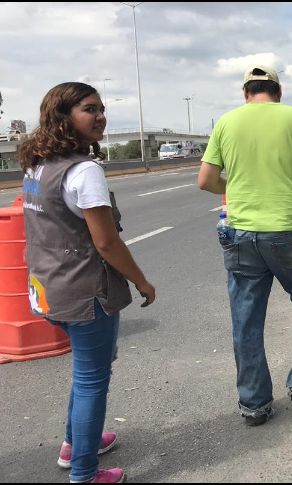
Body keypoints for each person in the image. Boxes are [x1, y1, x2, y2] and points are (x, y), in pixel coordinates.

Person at [18, 82, 156, 484]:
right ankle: (84, 473)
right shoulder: (84, 170)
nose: (100, 117)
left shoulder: (37, 165)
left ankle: (76, 444)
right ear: (64, 116)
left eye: (101, 109)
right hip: (85, 291)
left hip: (47, 288)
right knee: (93, 380)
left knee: (86, 373)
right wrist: (142, 283)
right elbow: (107, 243)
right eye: (89, 109)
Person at [197, 64, 292, 426]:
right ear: (278, 91)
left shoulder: (226, 122)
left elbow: (205, 180)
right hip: (288, 231)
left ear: (246, 94)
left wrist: (238, 188)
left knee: (246, 319)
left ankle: (254, 404)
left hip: (240, 233)